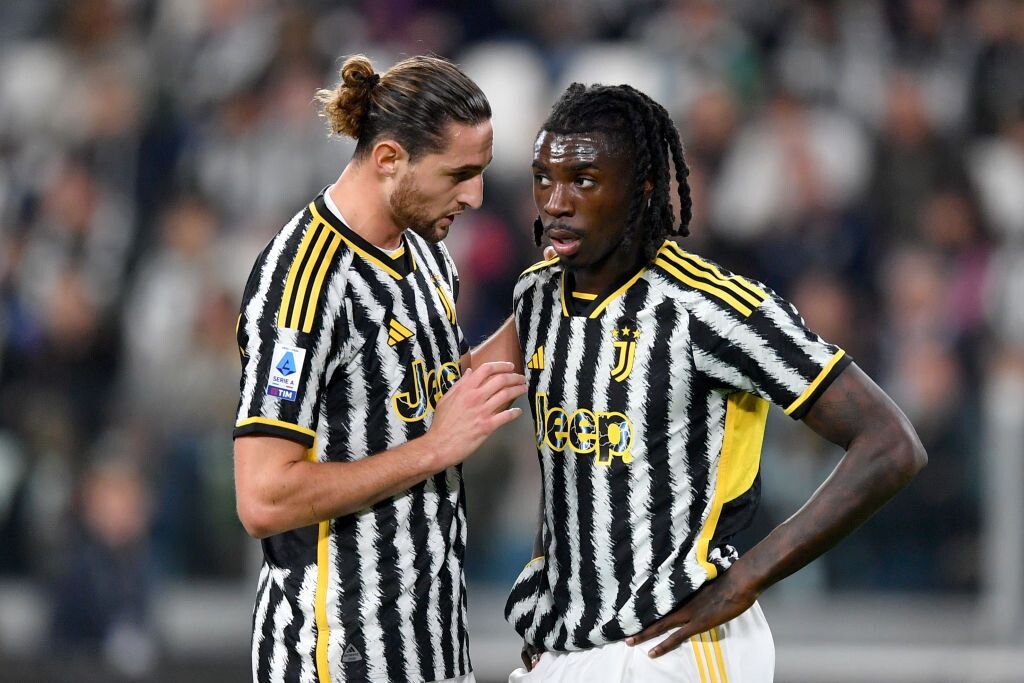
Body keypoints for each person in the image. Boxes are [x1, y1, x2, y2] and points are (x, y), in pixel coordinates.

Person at [483, 83, 927, 682]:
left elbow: (891, 443)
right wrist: (552, 607)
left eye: (583, 180)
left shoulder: (711, 306)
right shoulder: (536, 295)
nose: (556, 203)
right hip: (566, 645)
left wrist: (747, 578)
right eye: (543, 179)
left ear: (642, 187)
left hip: (675, 645)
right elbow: (569, 462)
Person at [232, 54, 527, 683]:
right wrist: (434, 450)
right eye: (459, 174)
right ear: (389, 158)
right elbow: (263, 496)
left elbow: (422, 399)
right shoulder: (303, 281)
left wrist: (543, 307)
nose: (475, 196)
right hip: (336, 653)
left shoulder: (426, 250)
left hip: (433, 642)